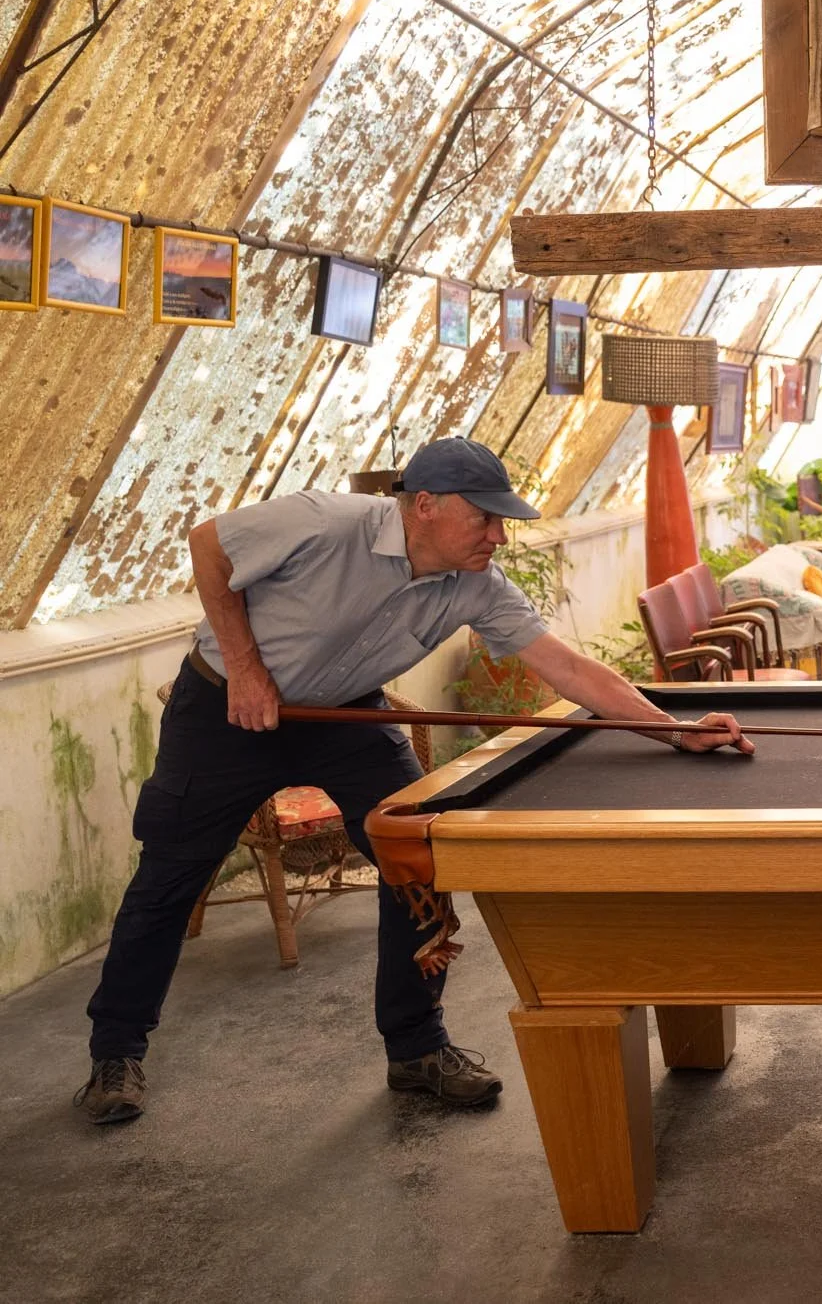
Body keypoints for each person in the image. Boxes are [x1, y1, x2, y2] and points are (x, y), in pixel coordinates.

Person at [73, 438, 753, 1126]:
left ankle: (417, 1049)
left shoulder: (479, 586)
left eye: (502, 520)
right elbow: (208, 545)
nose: (497, 536)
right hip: (228, 710)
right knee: (166, 881)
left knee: (417, 863)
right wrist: (248, 670)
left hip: (345, 716)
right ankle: (115, 1055)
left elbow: (571, 670)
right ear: (423, 506)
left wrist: (673, 728)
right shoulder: (324, 521)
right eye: (482, 519)